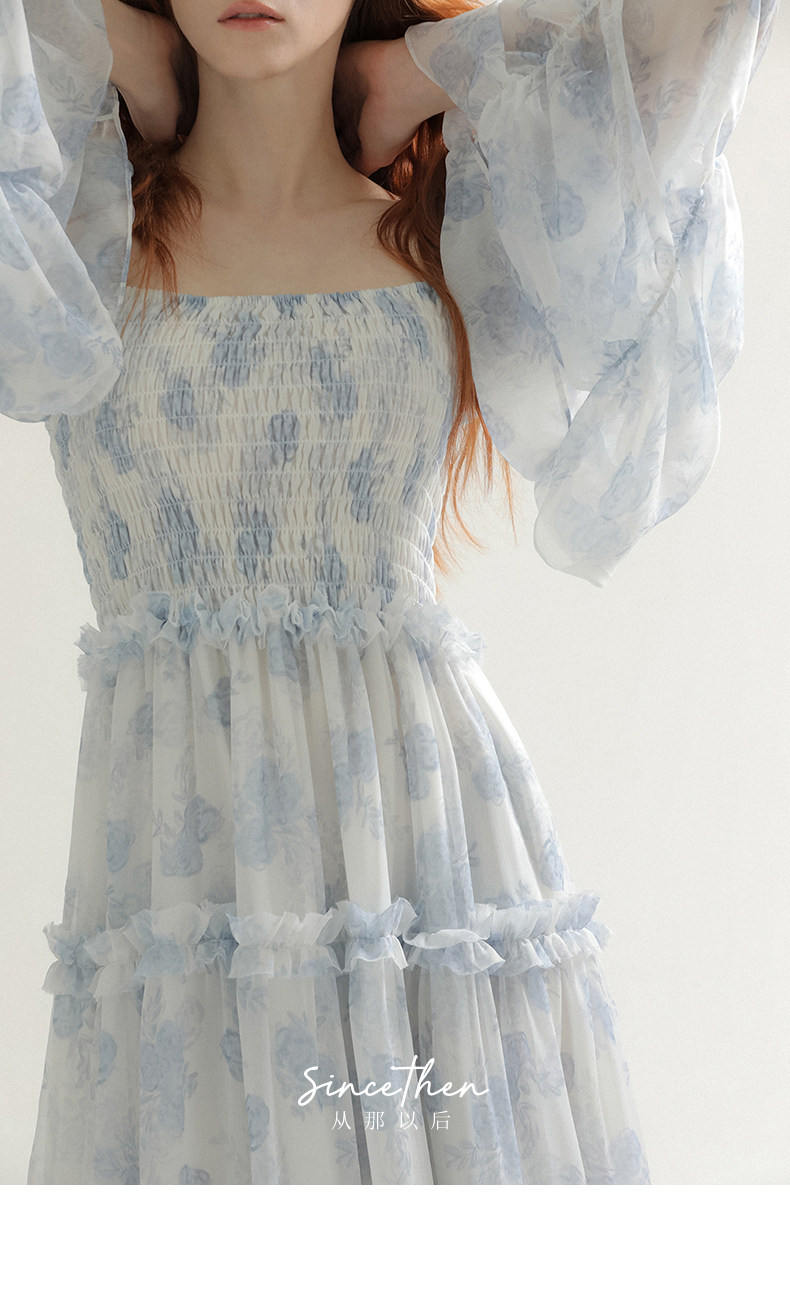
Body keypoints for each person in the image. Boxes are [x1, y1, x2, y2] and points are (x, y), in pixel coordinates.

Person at [2, 0, 777, 1184]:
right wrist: (113, 45)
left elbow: (709, 24)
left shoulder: (446, 229)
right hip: (176, 873)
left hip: (423, 863)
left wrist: (423, 70)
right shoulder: (63, 233)